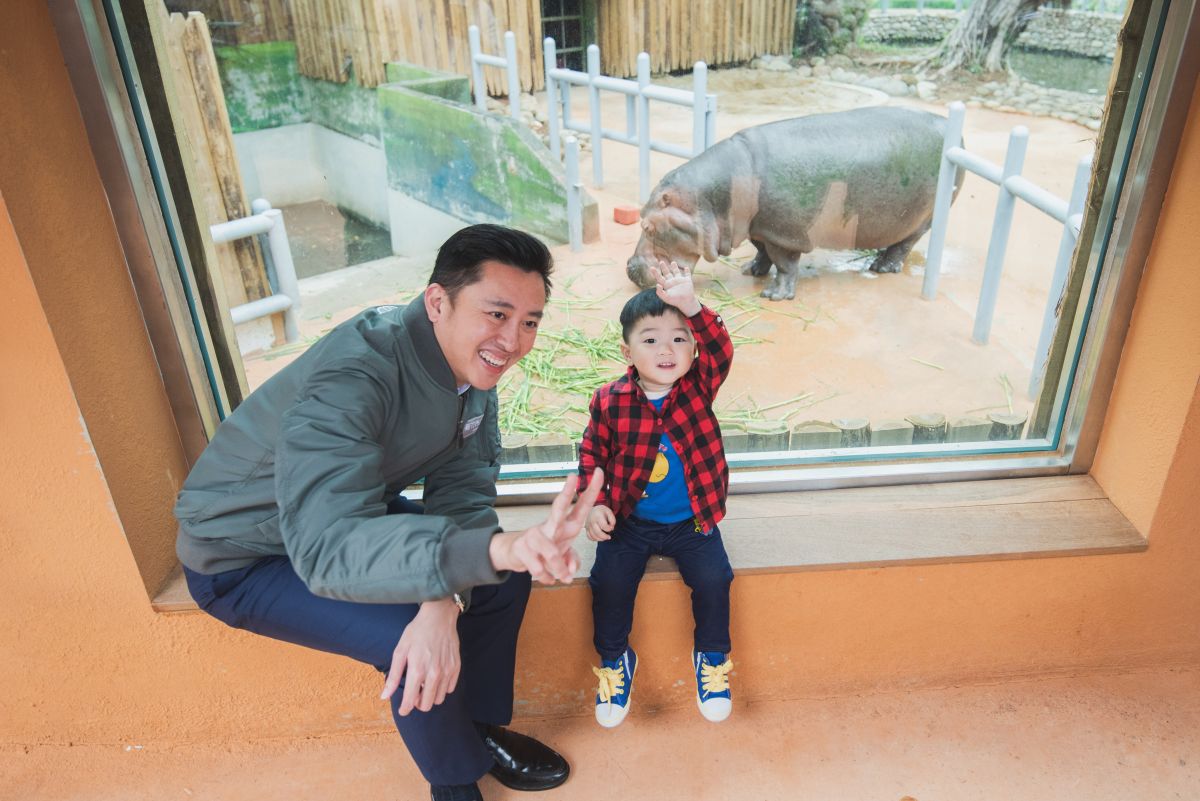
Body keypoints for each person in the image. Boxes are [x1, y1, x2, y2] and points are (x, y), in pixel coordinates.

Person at [174, 224, 602, 801]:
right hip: (246, 556)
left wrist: (445, 596)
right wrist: (452, 581)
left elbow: (465, 490)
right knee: (410, 631)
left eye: (529, 321)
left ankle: (477, 731)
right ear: (437, 302)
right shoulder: (354, 375)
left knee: (500, 582)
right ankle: (454, 783)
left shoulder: (473, 367)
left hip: (352, 514)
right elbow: (326, 549)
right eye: (497, 314)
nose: (513, 340)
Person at [577, 260, 736, 728]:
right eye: (651, 339)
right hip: (630, 525)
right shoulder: (609, 400)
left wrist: (691, 304)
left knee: (714, 581)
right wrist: (595, 504)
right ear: (627, 351)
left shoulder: (698, 387)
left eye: (679, 338)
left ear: (692, 349)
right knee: (607, 585)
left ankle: (711, 657)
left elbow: (721, 348)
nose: (666, 349)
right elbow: (593, 455)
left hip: (695, 522)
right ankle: (613, 661)